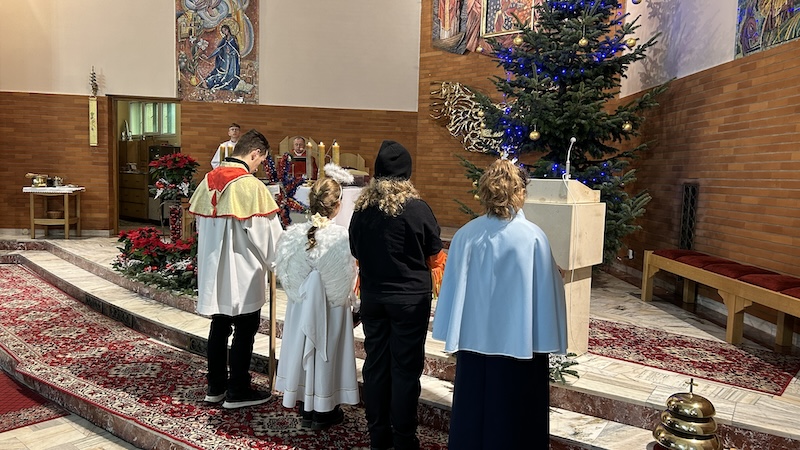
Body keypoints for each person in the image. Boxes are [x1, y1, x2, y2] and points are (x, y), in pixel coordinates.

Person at [431, 158, 568, 449]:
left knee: (474, 411)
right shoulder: (532, 237)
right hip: (520, 346)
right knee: (517, 419)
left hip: (474, 344)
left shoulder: (466, 235)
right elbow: (546, 290)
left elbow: (453, 287)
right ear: (520, 192)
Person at [348, 140, 447, 450]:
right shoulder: (417, 209)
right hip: (409, 301)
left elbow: (355, 250)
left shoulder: (361, 209)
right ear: (406, 174)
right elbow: (434, 254)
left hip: (374, 298)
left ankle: (378, 436)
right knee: (405, 370)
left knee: (376, 366)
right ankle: (404, 439)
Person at [188, 129, 283, 409]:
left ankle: (215, 386)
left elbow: (200, 226)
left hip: (215, 270)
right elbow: (267, 237)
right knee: (245, 327)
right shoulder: (250, 186)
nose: (259, 167)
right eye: (260, 161)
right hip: (242, 271)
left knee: (219, 326)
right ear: (255, 153)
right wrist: (279, 263)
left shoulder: (208, 180)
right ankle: (238, 389)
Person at [274, 165, 360, 430]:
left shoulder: (292, 235)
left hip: (301, 307)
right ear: (337, 206)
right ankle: (325, 408)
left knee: (302, 345)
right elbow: (349, 277)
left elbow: (286, 274)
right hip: (332, 307)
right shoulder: (342, 237)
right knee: (328, 351)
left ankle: (304, 403)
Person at [204, 23, 241, 92]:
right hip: (225, 59)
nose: (224, 32)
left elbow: (236, 50)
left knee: (229, 75)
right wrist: (209, 57)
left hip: (232, 60)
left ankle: (227, 83)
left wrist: (231, 52)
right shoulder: (224, 39)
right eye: (223, 31)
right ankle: (210, 82)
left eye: (225, 30)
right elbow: (218, 49)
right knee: (219, 73)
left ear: (228, 30)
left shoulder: (233, 39)